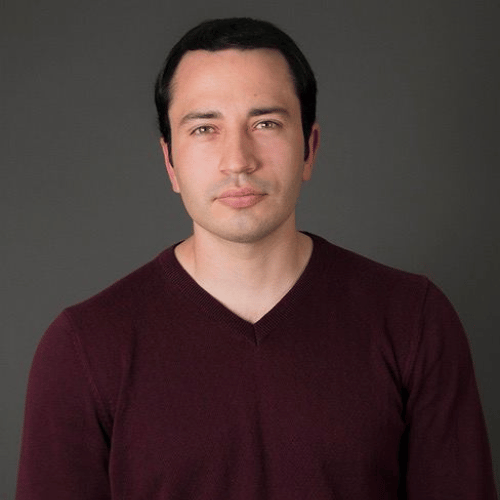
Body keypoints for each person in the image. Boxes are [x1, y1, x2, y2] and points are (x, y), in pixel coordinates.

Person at [16, 17, 497, 499]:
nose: (238, 160)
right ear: (170, 162)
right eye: (204, 128)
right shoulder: (84, 347)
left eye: (266, 124)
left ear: (309, 148)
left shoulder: (413, 320)